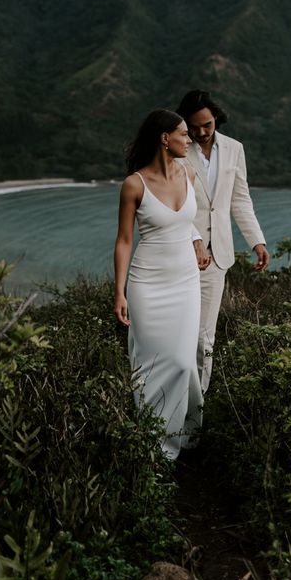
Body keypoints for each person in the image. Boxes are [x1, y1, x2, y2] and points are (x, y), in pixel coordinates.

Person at [113, 108, 210, 461]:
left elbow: (187, 223)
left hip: (185, 282)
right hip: (147, 284)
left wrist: (197, 241)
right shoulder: (134, 184)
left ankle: (181, 437)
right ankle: (155, 447)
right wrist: (119, 291)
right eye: (184, 134)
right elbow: (124, 240)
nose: (191, 139)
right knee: (150, 367)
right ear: (164, 139)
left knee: (184, 363)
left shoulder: (189, 175)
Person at [176, 90, 269, 394]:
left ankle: (195, 409)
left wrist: (257, 241)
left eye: (207, 125)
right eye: (194, 127)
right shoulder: (176, 149)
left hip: (218, 258)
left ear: (216, 118)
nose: (201, 132)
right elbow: (174, 201)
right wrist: (195, 239)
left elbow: (239, 199)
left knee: (205, 338)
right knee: (178, 334)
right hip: (179, 252)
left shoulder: (234, 149)